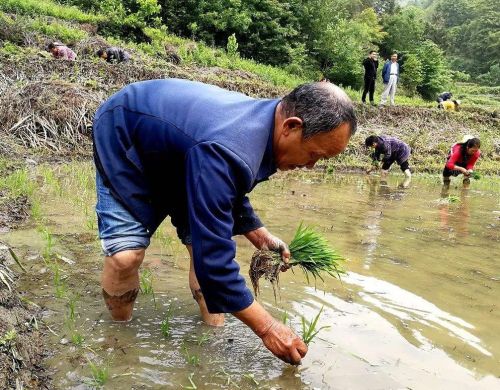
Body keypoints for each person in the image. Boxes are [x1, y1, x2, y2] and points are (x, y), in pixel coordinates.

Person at [93, 79, 357, 365]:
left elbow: (224, 186)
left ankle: (213, 341)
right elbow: (216, 265)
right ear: (291, 126)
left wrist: (258, 232)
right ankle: (120, 343)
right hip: (127, 134)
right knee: (125, 256)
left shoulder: (261, 131)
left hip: (185, 150)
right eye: (314, 155)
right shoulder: (230, 147)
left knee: (201, 248)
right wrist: (267, 328)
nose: (310, 166)